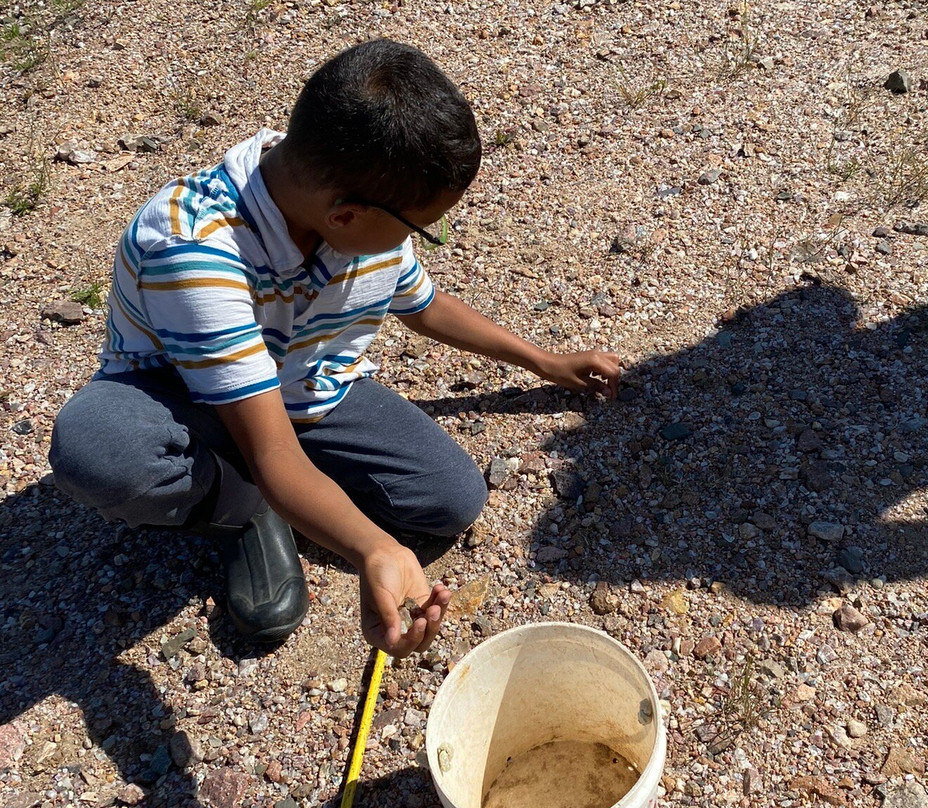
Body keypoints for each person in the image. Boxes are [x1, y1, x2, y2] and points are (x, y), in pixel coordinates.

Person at [48, 39, 620, 658]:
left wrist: (543, 360)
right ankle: (244, 511)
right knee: (101, 450)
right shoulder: (193, 252)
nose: (417, 241)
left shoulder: (354, 199)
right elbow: (274, 453)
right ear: (347, 216)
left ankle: (290, 501)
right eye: (419, 227)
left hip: (304, 388)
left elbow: (421, 303)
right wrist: (372, 547)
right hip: (186, 404)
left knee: (449, 498)